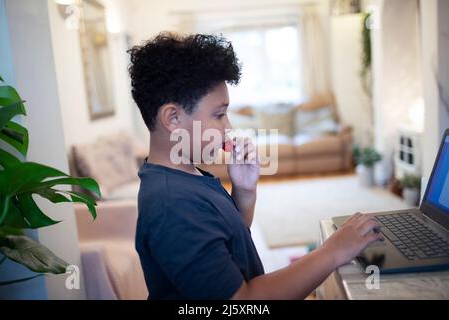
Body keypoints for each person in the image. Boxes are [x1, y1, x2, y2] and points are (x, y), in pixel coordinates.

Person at [129, 32, 383, 299]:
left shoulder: (187, 174)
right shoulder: (172, 204)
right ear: (173, 118)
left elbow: (230, 243)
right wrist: (333, 250)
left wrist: (244, 191)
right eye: (219, 115)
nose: (228, 127)